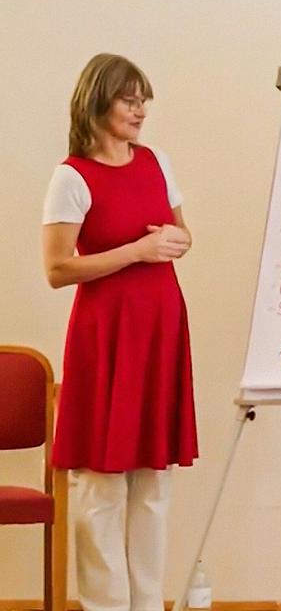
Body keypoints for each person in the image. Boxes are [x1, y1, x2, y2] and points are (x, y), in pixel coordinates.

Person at [41, 53, 196, 611]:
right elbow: (57, 269)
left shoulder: (156, 161)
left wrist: (174, 243)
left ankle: (148, 605)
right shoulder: (71, 176)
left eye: (143, 99)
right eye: (130, 99)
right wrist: (139, 250)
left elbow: (181, 234)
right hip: (105, 336)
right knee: (102, 483)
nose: (140, 110)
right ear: (97, 102)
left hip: (159, 328)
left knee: (153, 481)